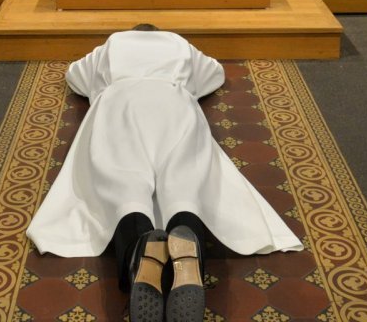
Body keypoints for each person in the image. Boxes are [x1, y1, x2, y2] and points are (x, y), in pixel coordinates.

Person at [25, 26, 302, 321]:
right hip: (173, 99)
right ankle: (187, 249)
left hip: (121, 100)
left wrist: (101, 89)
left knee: (121, 178)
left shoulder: (113, 43)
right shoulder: (180, 43)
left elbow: (76, 75)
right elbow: (213, 73)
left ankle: (140, 247)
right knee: (184, 178)